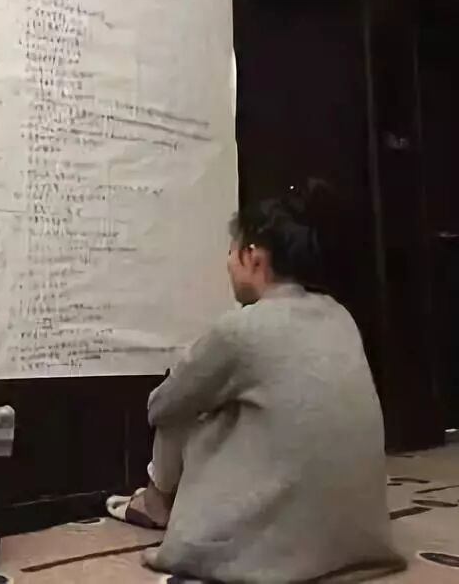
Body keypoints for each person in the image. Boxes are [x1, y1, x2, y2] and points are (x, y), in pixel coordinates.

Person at [107, 183, 404, 582]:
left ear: (253, 257)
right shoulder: (340, 317)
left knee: (185, 400)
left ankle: (154, 501)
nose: (228, 262)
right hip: (361, 541)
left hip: (270, 552)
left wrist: (187, 370)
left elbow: (161, 407)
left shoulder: (242, 329)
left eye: (232, 251)